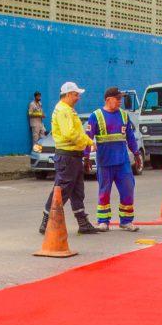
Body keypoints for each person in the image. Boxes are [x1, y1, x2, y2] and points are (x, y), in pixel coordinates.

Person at [40, 81, 102, 235]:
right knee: (62, 191)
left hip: (73, 156)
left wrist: (89, 143)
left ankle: (82, 222)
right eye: (76, 94)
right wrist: (85, 142)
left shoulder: (68, 110)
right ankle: (47, 222)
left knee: (77, 191)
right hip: (67, 157)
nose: (78, 98)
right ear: (67, 95)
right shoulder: (64, 111)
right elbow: (69, 134)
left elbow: (78, 132)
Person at [84, 87, 142, 231]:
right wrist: (86, 158)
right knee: (104, 192)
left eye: (120, 99)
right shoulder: (95, 116)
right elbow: (87, 139)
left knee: (128, 189)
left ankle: (126, 221)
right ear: (108, 100)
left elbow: (130, 137)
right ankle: (103, 221)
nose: (120, 102)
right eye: (117, 99)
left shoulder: (123, 115)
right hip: (105, 163)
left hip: (122, 162)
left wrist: (136, 154)